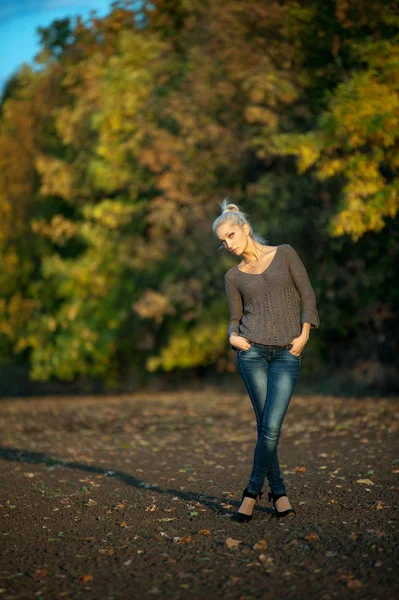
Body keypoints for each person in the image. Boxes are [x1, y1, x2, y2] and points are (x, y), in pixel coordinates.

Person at [212, 199, 319, 522]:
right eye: (223, 241)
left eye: (231, 235)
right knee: (266, 427)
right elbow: (234, 317)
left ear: (244, 228)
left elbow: (308, 295)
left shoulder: (284, 253)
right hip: (252, 352)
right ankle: (280, 494)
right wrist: (232, 336)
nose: (228, 244)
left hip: (288, 352)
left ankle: (251, 492)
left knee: (271, 427)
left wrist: (305, 333)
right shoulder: (234, 276)